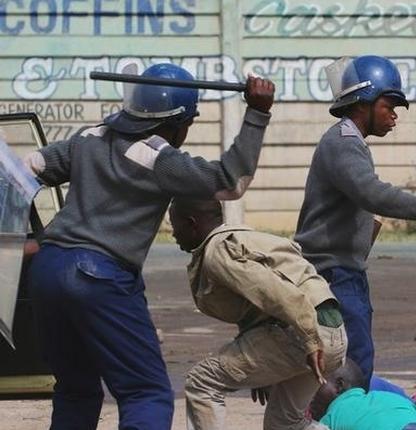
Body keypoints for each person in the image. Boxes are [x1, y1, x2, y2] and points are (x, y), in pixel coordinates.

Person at [23, 63, 275, 429]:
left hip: (47, 270)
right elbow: (230, 181)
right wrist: (257, 113)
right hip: (99, 278)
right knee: (147, 393)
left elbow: (30, 166)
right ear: (177, 125)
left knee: (76, 391)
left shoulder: (91, 136)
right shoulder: (160, 157)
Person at [294, 55, 416, 387]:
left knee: (343, 360)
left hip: (341, 269)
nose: (394, 117)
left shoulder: (347, 141)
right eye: (389, 106)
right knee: (354, 362)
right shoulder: (344, 143)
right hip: (333, 273)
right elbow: (371, 192)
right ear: (364, 103)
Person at [168, 198, 347, 430]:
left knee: (203, 382)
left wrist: (311, 340)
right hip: (333, 332)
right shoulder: (247, 238)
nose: (173, 234)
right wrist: (261, 370)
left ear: (191, 223)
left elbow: (278, 293)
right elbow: (257, 305)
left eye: (174, 225)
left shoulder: (219, 251)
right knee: (283, 423)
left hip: (305, 333)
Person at [310, 360, 416, 430]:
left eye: (316, 384)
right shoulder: (395, 399)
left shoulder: (332, 417)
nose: (309, 393)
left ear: (339, 385)